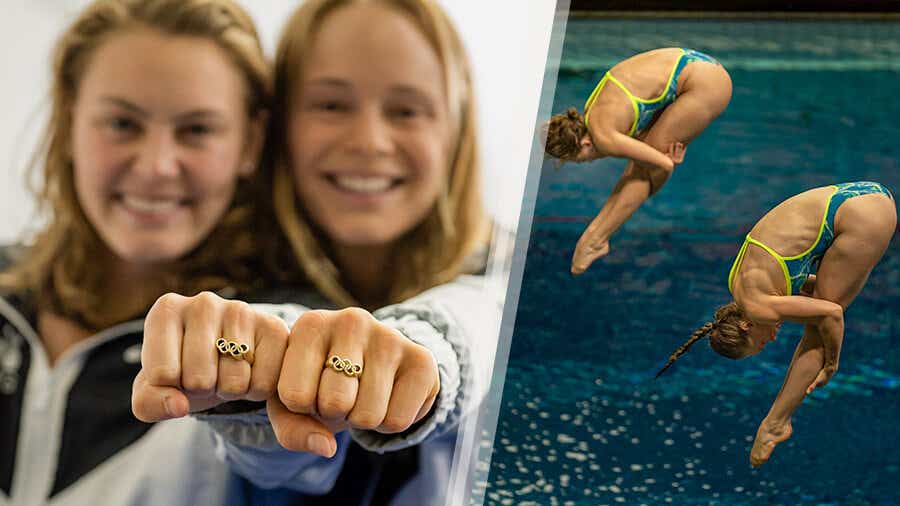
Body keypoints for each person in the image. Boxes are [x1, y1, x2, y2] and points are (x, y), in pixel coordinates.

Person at [132, 1, 501, 504]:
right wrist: (250, 396)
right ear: (278, 127)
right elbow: (275, 464)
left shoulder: (510, 281)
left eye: (407, 110)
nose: (370, 142)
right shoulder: (210, 288)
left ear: (456, 131)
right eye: (331, 105)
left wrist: (428, 357)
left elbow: (476, 323)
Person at [0, 0, 274, 503]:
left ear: (250, 143)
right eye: (123, 124)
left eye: (196, 130)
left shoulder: (268, 334)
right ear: (69, 120)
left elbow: (300, 465)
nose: (156, 167)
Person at [656, 181, 896, 467]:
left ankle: (774, 424)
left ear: (746, 326)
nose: (770, 340)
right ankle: (776, 421)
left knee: (819, 330)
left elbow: (831, 313)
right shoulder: (738, 283)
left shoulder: (760, 308)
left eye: (759, 344)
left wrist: (832, 363)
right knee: (822, 305)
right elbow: (802, 279)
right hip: (862, 194)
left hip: (866, 216)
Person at [543, 48, 732, 275]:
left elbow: (663, 165)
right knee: (642, 160)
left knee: (645, 168)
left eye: (580, 161)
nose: (587, 163)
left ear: (584, 145)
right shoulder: (593, 112)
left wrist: (668, 161)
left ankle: (593, 239)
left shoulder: (603, 138)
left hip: (707, 85)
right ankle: (595, 236)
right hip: (698, 67)